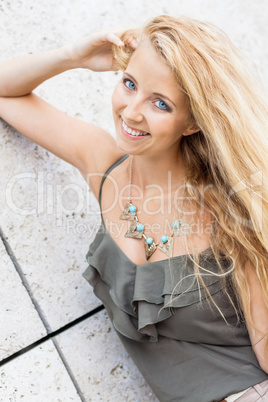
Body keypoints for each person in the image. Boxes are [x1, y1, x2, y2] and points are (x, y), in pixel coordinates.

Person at [0, 14, 267, 402]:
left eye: (160, 103)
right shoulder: (102, 163)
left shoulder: (230, 210)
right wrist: (73, 55)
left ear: (192, 123)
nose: (132, 112)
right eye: (130, 84)